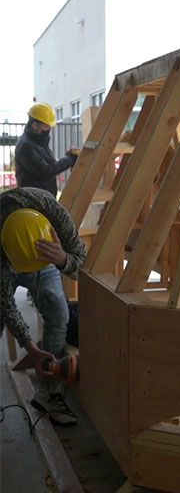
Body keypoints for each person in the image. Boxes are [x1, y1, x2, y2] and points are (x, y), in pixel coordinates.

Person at [1, 187, 86, 426]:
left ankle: (49, 392)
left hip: (48, 256)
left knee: (58, 311)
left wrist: (62, 259)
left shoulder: (54, 214)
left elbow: (84, 265)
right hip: (6, 260)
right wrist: (33, 350)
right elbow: (7, 305)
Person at [15, 102, 79, 198]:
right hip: (34, 200)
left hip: (42, 197)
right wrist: (69, 159)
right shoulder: (26, 146)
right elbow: (46, 171)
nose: (49, 128)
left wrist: (67, 158)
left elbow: (50, 165)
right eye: (46, 125)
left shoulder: (38, 142)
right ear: (35, 125)